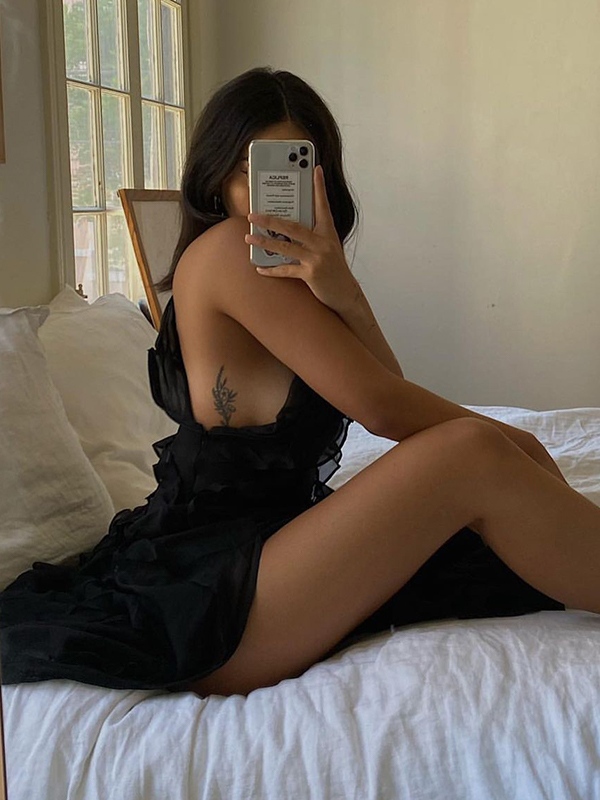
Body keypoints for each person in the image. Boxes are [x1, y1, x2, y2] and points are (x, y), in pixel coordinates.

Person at [1, 67, 599, 699]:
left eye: (291, 171)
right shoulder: (231, 251)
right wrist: (511, 444)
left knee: (492, 470)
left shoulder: (288, 277)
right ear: (216, 179)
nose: (268, 196)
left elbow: (385, 389)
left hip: (271, 553)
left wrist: (346, 293)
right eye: (250, 171)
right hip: (219, 595)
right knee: (473, 454)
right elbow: (384, 410)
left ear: (322, 179)